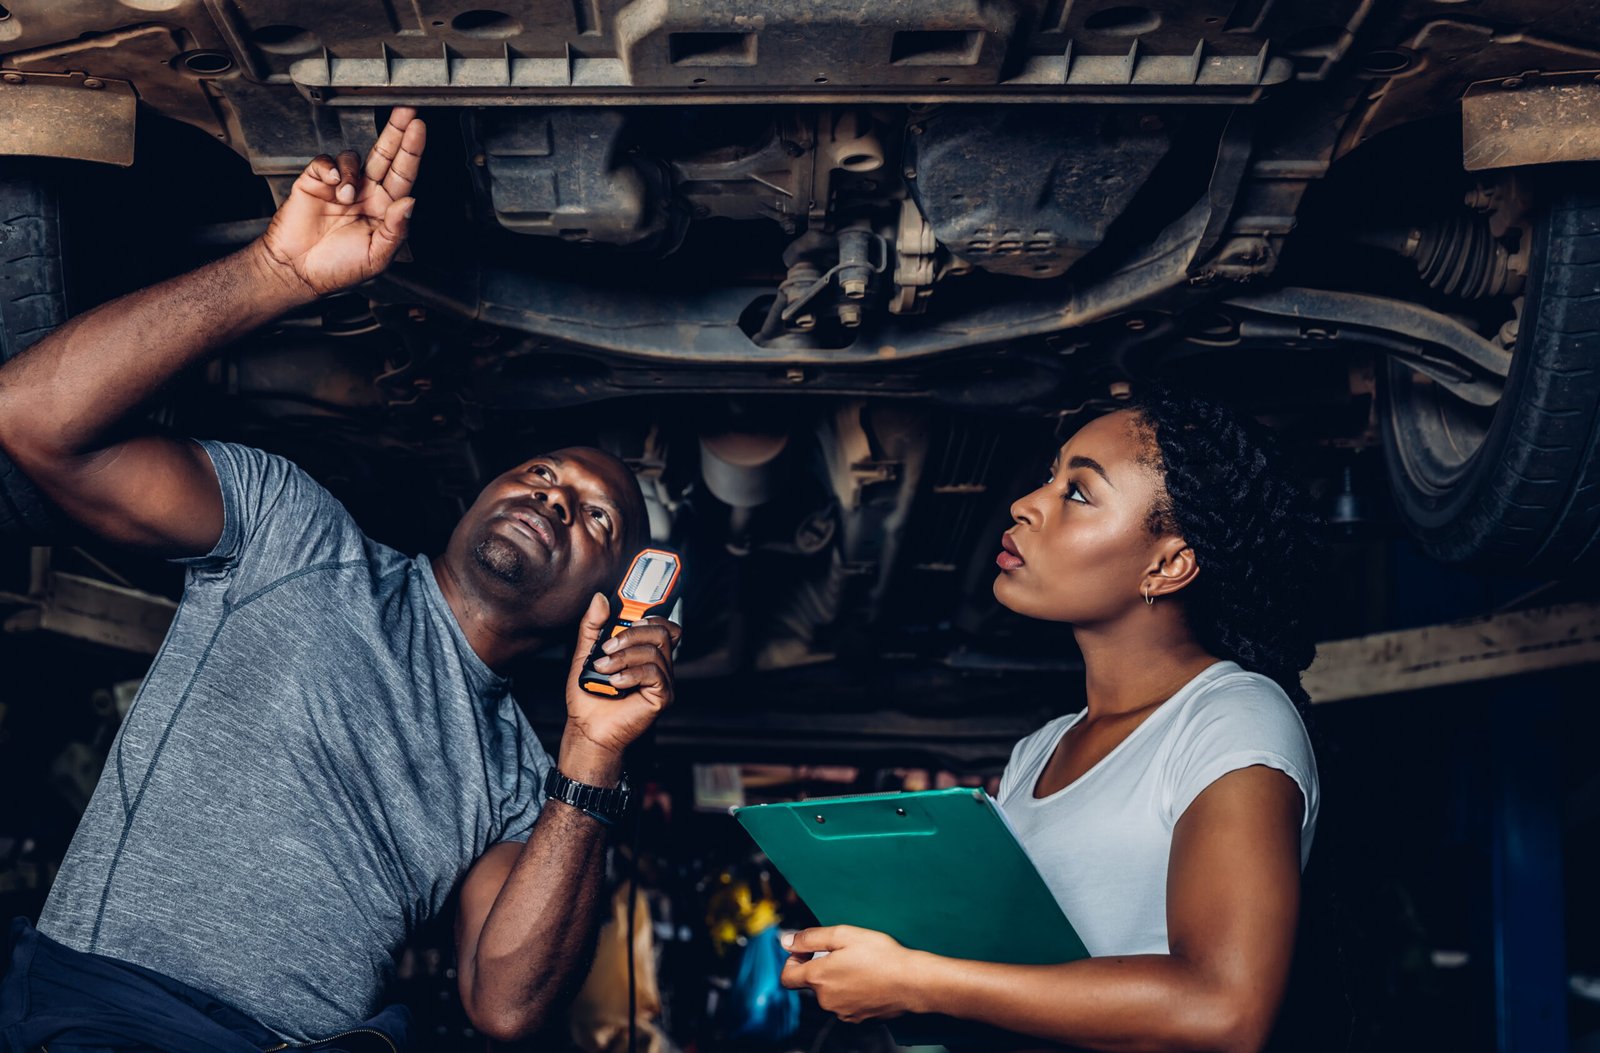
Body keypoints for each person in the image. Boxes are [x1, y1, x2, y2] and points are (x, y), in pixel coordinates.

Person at [0, 108, 682, 1051]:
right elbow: (32, 418)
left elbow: (507, 1002)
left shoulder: (529, 782)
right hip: (113, 1012)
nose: (556, 498)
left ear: (601, 610)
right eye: (541, 473)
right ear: (482, 490)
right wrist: (271, 274)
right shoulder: (295, 531)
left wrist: (595, 755)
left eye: (597, 516)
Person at [779, 391, 1321, 1053]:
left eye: (1079, 493)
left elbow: (1222, 1007)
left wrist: (921, 979)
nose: (1027, 504)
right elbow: (1018, 976)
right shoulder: (1040, 749)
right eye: (1049, 477)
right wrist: (883, 961)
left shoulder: (1232, 716)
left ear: (1169, 564)